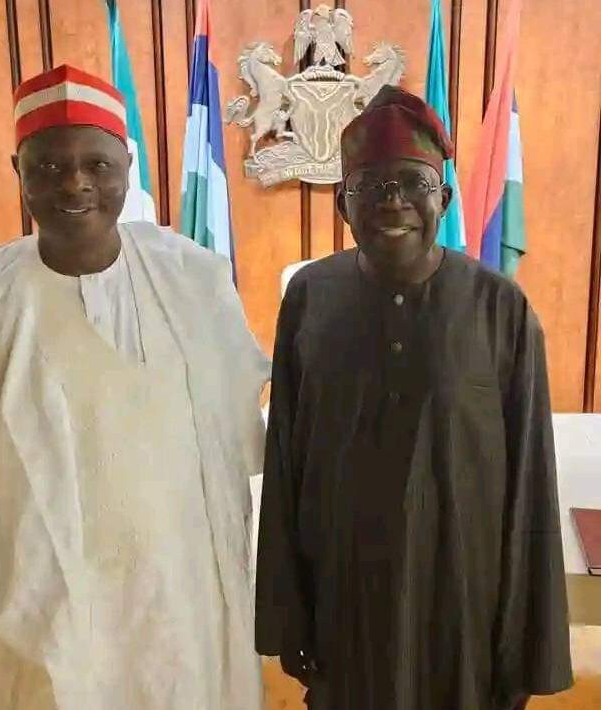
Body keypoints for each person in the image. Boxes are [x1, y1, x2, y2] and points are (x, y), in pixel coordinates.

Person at [0, 64, 269, 710]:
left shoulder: (193, 283)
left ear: (128, 165)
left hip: (183, 610)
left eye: (97, 164)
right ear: (18, 171)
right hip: (39, 618)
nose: (75, 183)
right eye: (49, 167)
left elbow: (236, 449)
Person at [255, 85, 573, 710]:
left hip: (462, 597)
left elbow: (531, 478)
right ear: (343, 204)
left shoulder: (498, 307)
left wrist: (524, 644)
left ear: (443, 200)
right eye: (370, 186)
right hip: (345, 595)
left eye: (412, 184)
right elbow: (286, 459)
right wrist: (289, 613)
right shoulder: (310, 298)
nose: (392, 201)